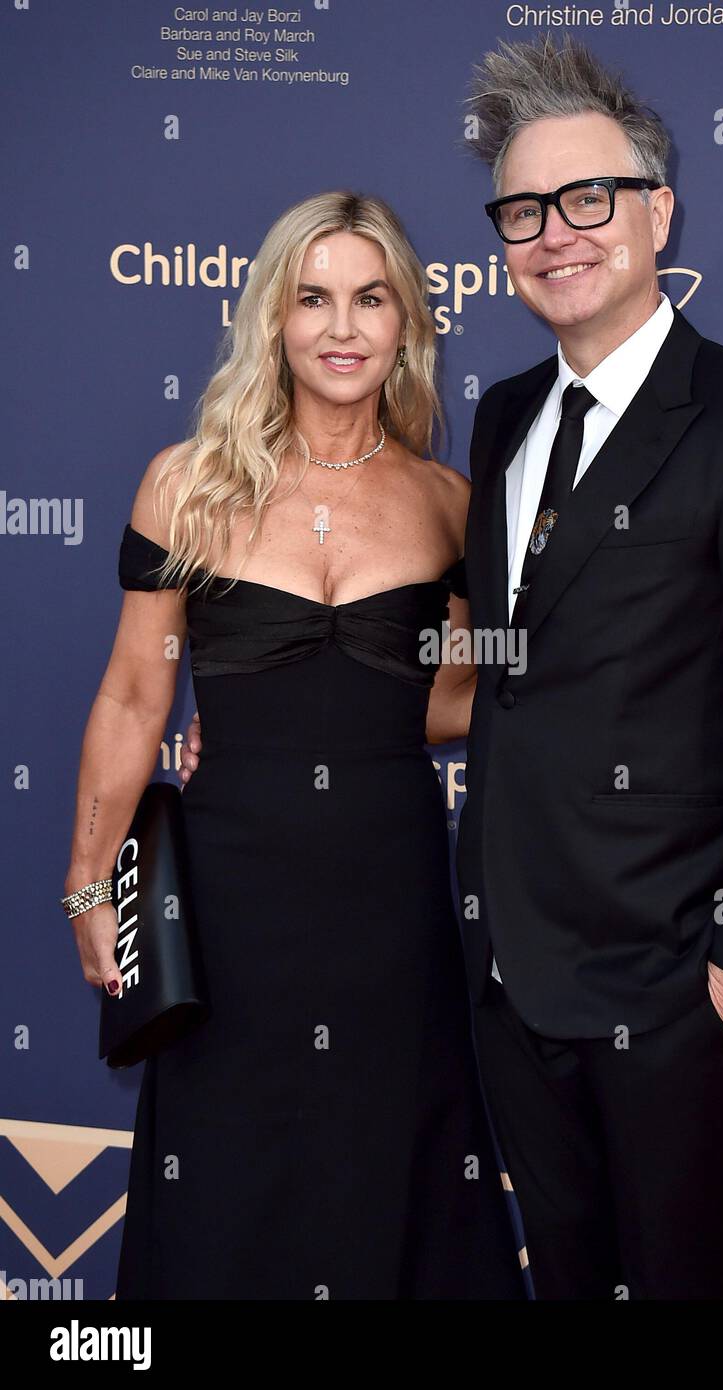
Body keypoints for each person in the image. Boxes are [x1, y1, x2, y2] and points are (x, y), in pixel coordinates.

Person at [62, 191, 525, 1300]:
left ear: (409, 320)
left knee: (394, 1155)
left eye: (370, 298)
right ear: (271, 318)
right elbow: (134, 693)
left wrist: (321, 707)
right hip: (231, 896)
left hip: (393, 891)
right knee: (231, 1168)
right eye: (312, 298)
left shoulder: (447, 501)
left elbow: (454, 699)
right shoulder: (189, 484)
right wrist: (89, 879)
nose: (341, 326)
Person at [451, 37, 723, 1299]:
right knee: (564, 1273)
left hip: (673, 971)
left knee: (676, 1281)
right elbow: (503, 668)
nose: (555, 233)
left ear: (655, 209)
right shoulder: (506, 411)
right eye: (524, 209)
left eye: (588, 198)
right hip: (509, 963)